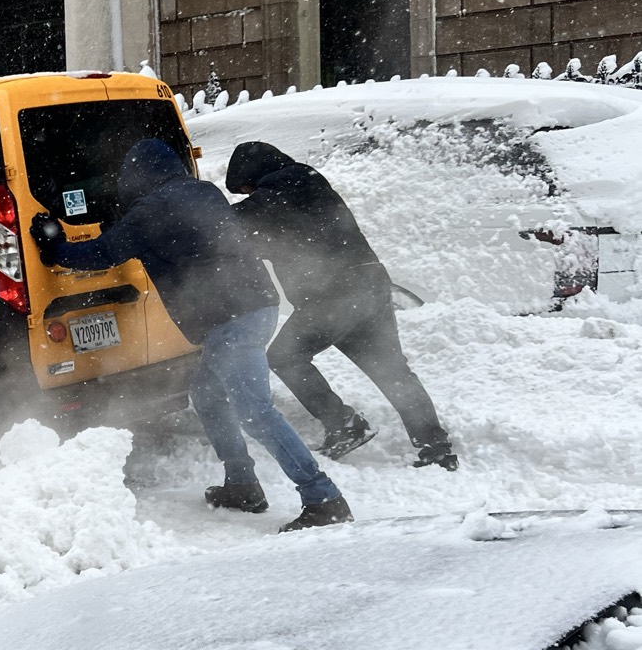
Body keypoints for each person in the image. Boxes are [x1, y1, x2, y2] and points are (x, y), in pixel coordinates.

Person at [31, 138, 350, 531]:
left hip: (233, 319)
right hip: (252, 308)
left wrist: (54, 244)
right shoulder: (203, 192)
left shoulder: (151, 210)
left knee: (256, 413)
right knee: (207, 394)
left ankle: (323, 497)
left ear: (139, 176)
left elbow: (101, 254)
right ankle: (242, 484)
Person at [224, 141, 457, 470]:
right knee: (392, 369)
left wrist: (194, 213)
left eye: (246, 188)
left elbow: (231, 222)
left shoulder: (284, 186)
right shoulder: (305, 184)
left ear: (252, 174)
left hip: (334, 294)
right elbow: (273, 237)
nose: (249, 194)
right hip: (368, 284)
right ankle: (436, 447)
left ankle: (344, 424)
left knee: (284, 357)